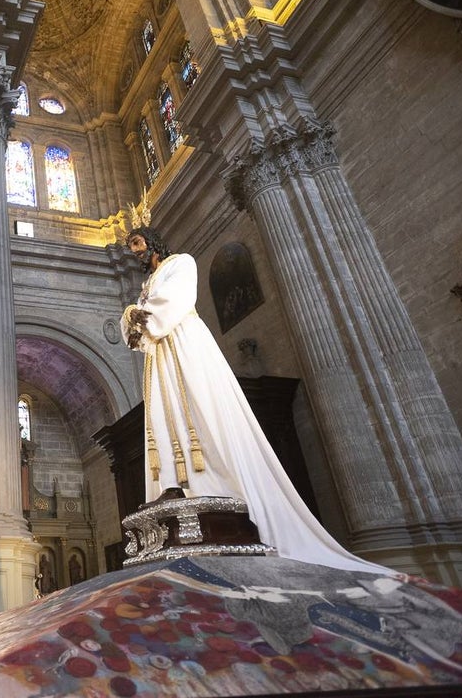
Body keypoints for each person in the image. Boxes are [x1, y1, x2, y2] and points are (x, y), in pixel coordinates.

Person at [120, 224, 391, 575]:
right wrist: (131, 317)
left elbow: (174, 301)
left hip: (184, 342)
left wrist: (143, 316)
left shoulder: (180, 262)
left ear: (152, 240)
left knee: (201, 405)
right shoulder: (145, 285)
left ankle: (208, 480)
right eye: (131, 248)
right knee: (163, 412)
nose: (136, 251)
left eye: (138, 243)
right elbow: (136, 328)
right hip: (160, 355)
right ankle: (174, 483)